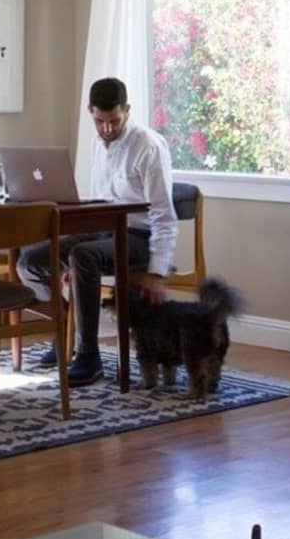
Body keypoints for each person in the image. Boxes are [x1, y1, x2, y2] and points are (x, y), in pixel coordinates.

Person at [16, 77, 178, 386]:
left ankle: (88, 357)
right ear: (90, 111)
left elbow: (164, 216)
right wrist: (69, 262)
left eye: (114, 121)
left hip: (139, 237)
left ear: (127, 110)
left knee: (82, 255)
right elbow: (100, 203)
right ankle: (66, 333)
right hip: (104, 233)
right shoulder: (97, 144)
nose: (107, 128)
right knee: (30, 261)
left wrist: (157, 272)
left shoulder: (148, 146)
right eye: (100, 121)